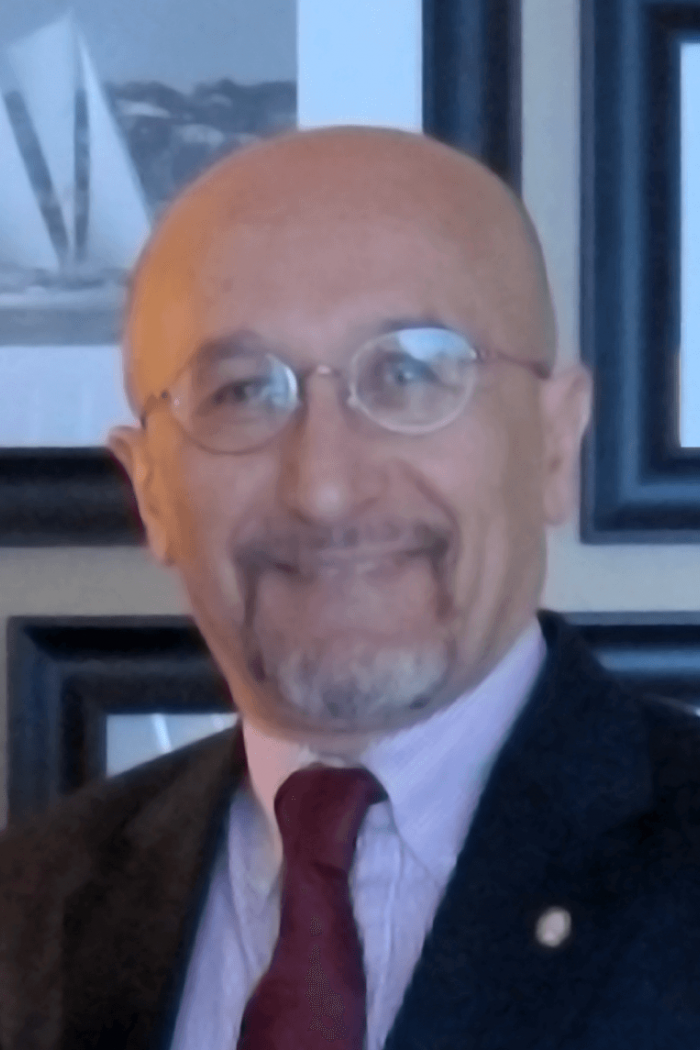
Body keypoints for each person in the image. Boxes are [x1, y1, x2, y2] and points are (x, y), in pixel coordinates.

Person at [2, 126, 700, 1050]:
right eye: (243, 393)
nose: (324, 488)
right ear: (152, 492)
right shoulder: (25, 909)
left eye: (409, 374)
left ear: (554, 447)